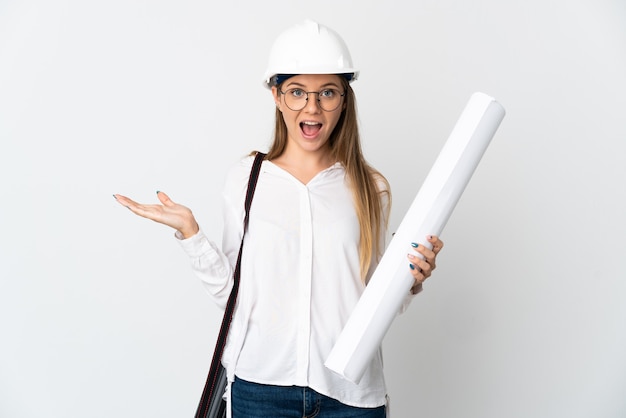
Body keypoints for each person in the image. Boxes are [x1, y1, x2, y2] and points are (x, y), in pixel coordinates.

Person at [114, 19, 443, 418]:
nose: (312, 107)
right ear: (276, 95)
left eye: (327, 92)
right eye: (297, 92)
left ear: (344, 98)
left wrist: (409, 281)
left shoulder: (371, 187)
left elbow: (373, 302)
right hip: (260, 390)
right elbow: (233, 297)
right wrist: (191, 234)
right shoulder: (246, 179)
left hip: (350, 395)